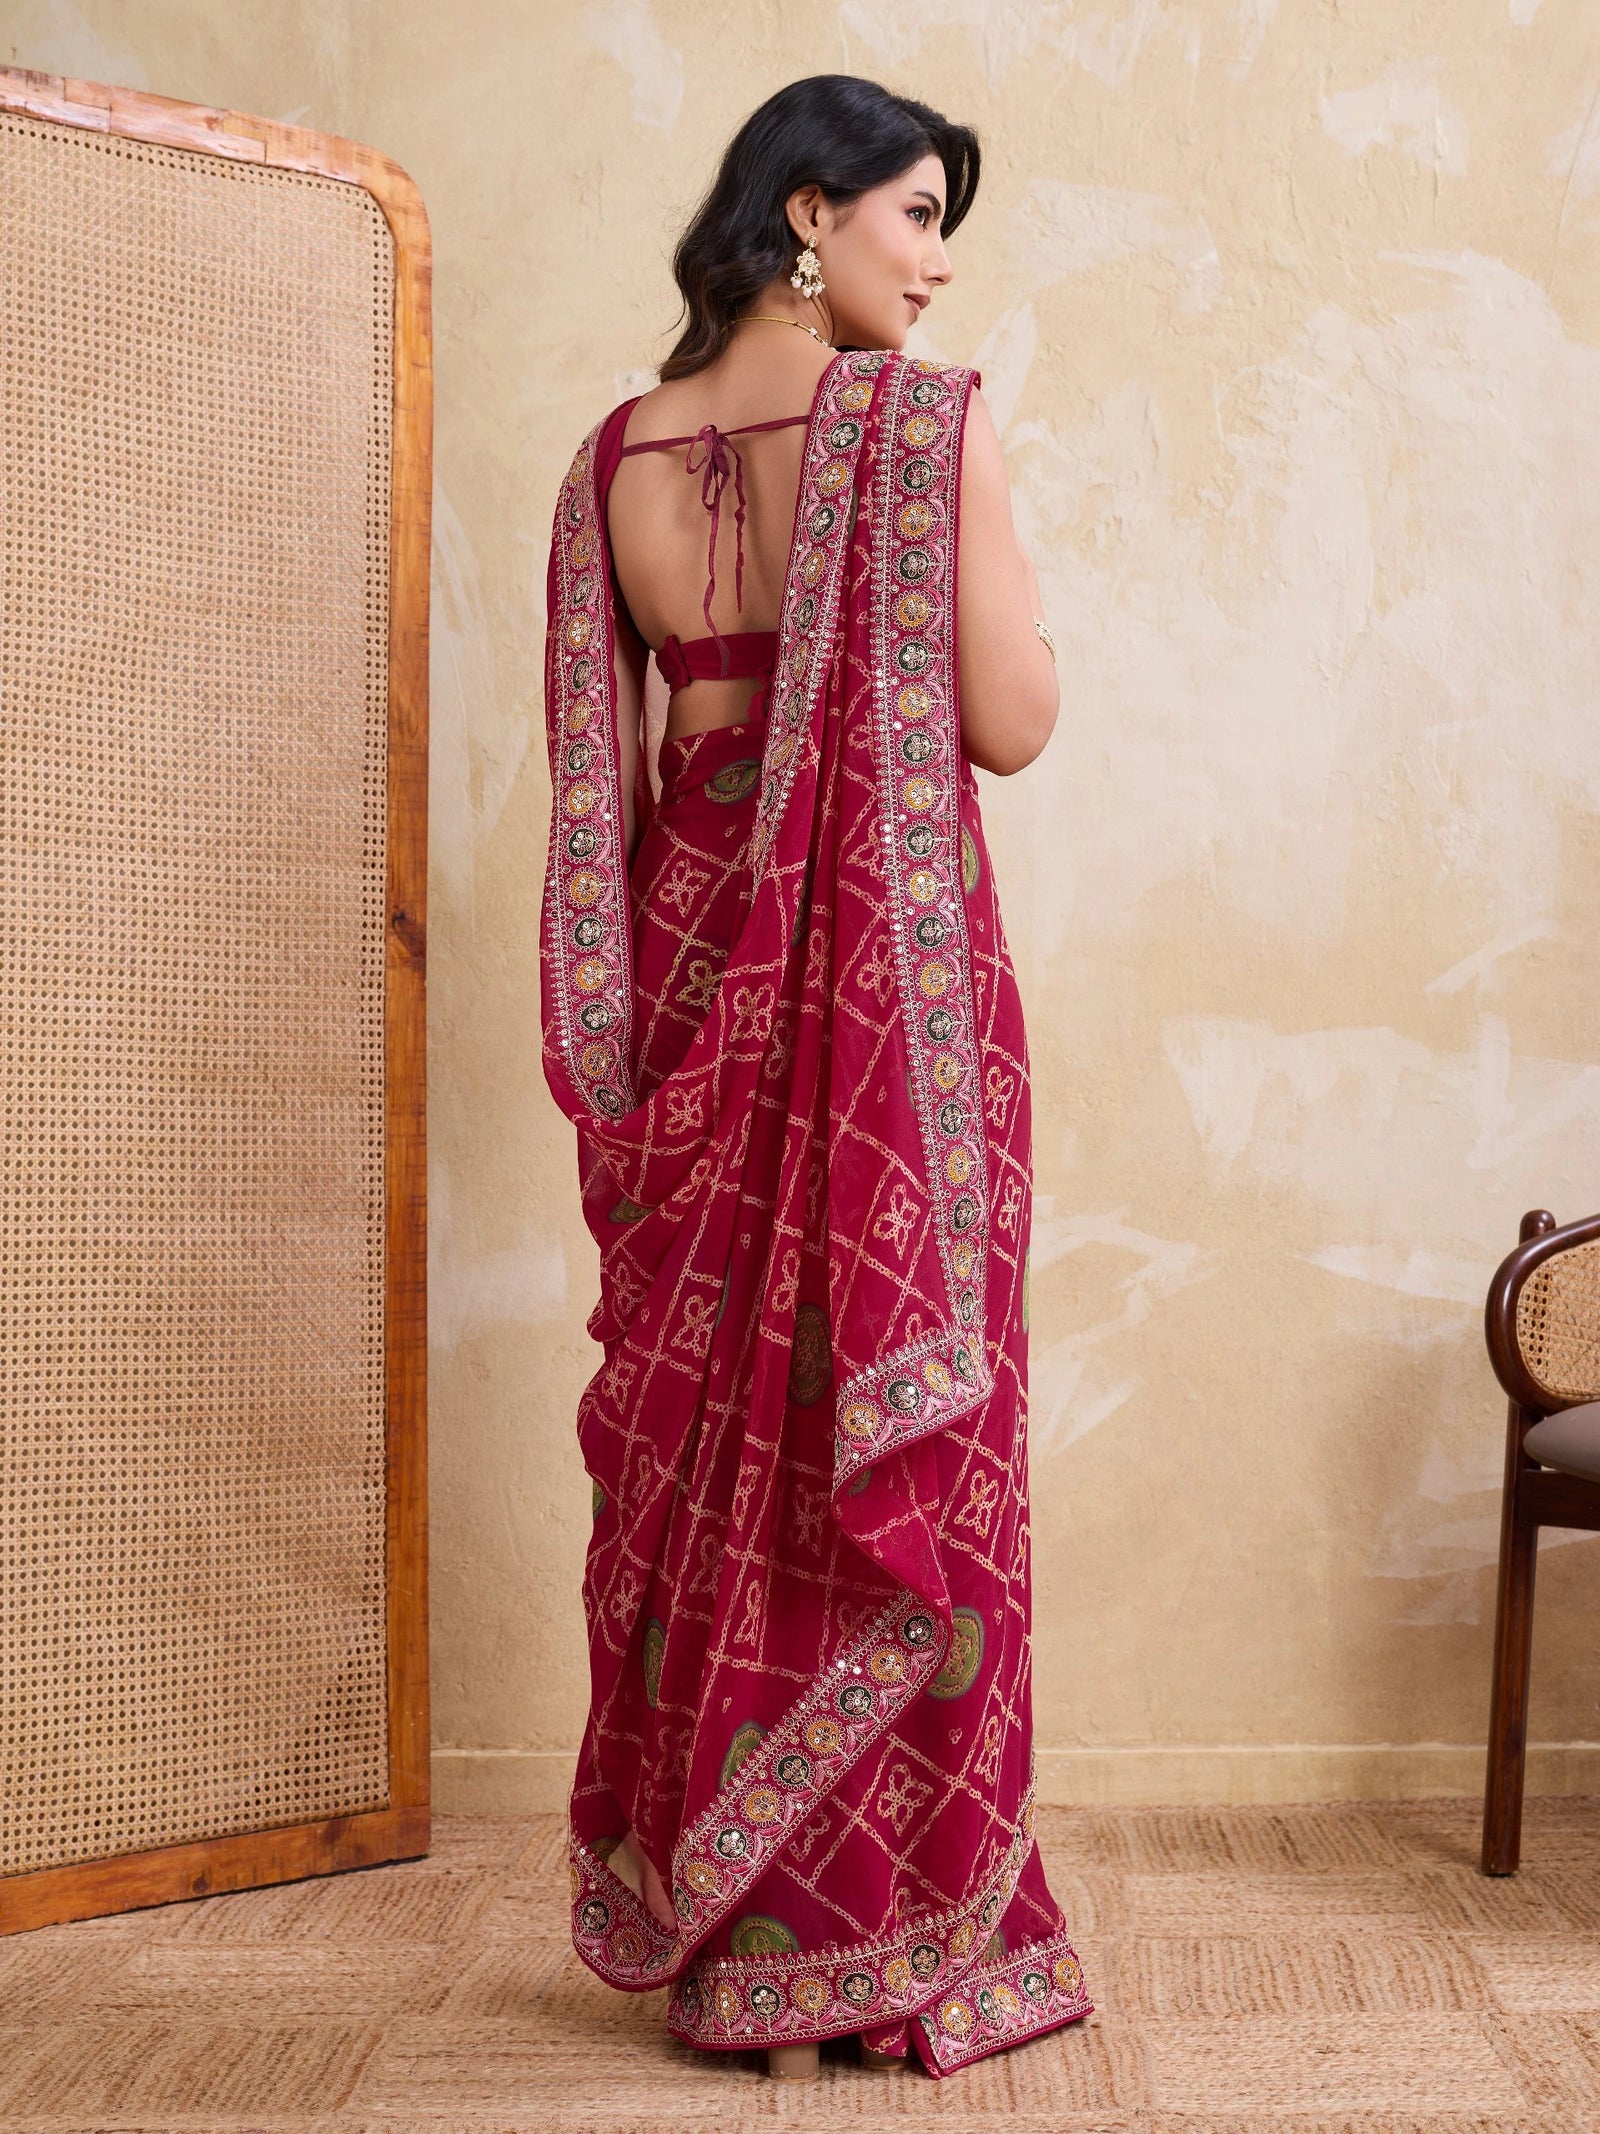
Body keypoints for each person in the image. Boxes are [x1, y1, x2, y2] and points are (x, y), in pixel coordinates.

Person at [539, 73, 1090, 2082]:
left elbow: (602, 804)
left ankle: (739, 1942)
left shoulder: (609, 454)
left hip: (695, 997)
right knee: (879, 1443)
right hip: (889, 1020)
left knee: (727, 1471)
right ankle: (890, 1941)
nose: (934, 263)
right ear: (804, 209)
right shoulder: (920, 429)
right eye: (916, 213)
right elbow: (1013, 720)